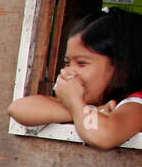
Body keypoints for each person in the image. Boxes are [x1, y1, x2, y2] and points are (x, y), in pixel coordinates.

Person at [8, 8, 142, 150]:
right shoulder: (88, 102)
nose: (68, 71)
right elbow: (18, 108)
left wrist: (77, 105)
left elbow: (103, 137)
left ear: (121, 66)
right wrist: (84, 109)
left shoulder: (136, 104)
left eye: (81, 63)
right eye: (67, 63)